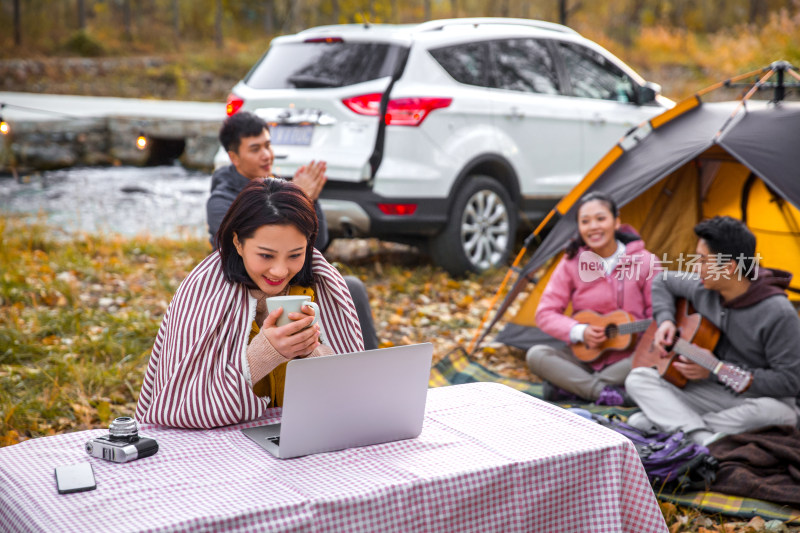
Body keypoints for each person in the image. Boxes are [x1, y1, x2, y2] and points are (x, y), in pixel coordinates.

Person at [136, 180, 365, 428]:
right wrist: (263, 354)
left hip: (304, 435)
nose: (279, 271)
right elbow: (180, 409)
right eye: (266, 255)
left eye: (295, 255)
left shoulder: (326, 287)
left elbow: (351, 397)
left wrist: (312, 350)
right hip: (218, 448)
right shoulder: (203, 292)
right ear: (237, 242)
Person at [207, 111, 378, 350]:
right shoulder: (220, 200)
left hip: (293, 278)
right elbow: (230, 254)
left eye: (268, 145)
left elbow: (318, 245)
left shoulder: (278, 186)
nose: (266, 155)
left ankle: (365, 362)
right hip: (248, 283)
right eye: (255, 149)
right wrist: (301, 197)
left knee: (352, 288)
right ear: (234, 157)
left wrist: (306, 201)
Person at [625, 216, 800, 445]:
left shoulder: (778, 313)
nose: (696, 268)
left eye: (702, 260)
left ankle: (680, 427)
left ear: (728, 268)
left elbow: (789, 382)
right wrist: (666, 320)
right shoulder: (704, 289)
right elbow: (663, 281)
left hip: (757, 398)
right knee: (638, 379)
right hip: (715, 393)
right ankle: (703, 438)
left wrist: (717, 369)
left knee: (783, 415)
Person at [526, 192, 659, 406]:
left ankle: (578, 388)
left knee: (653, 358)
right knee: (536, 355)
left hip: (630, 360)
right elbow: (545, 313)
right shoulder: (571, 263)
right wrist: (580, 331)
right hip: (584, 359)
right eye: (585, 221)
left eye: (600, 218)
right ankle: (605, 393)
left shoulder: (646, 262)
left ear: (616, 222)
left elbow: (659, 317)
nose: (593, 227)